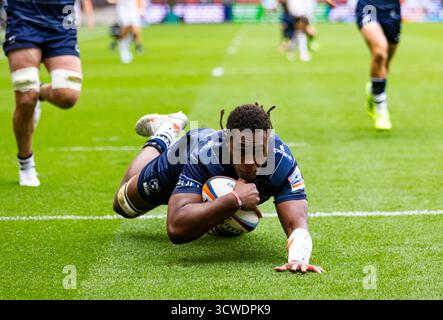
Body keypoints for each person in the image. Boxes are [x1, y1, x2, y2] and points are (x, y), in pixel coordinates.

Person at [113, 104, 324, 274]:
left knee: (229, 227)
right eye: (242, 150)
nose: (250, 160)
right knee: (124, 205)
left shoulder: (282, 161)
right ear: (227, 141)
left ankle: (214, 206)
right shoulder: (204, 155)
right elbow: (176, 229)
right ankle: (166, 131)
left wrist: (298, 258)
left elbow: (297, 222)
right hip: (182, 158)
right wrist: (234, 200)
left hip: (215, 192)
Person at [3, 0, 83, 187]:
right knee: (25, 97)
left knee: (67, 96)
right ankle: (26, 163)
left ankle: (38, 91)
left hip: (61, 18)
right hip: (23, 15)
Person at [356, 0, 402, 131]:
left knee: (385, 64)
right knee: (380, 53)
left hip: (392, 9)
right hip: (369, 6)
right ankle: (382, 110)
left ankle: (374, 90)